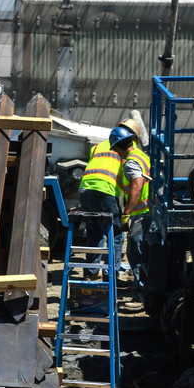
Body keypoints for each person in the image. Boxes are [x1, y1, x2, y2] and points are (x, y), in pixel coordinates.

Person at [78, 126, 141, 281]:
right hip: (104, 190)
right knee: (116, 235)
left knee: (94, 231)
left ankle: (91, 273)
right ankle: (110, 276)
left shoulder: (98, 146)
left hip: (85, 189)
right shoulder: (126, 150)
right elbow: (129, 178)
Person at [116, 114, 152, 300]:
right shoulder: (141, 155)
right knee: (141, 252)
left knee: (135, 253)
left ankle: (140, 294)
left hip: (139, 213)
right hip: (146, 211)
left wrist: (126, 212)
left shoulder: (131, 161)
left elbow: (137, 185)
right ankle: (142, 290)